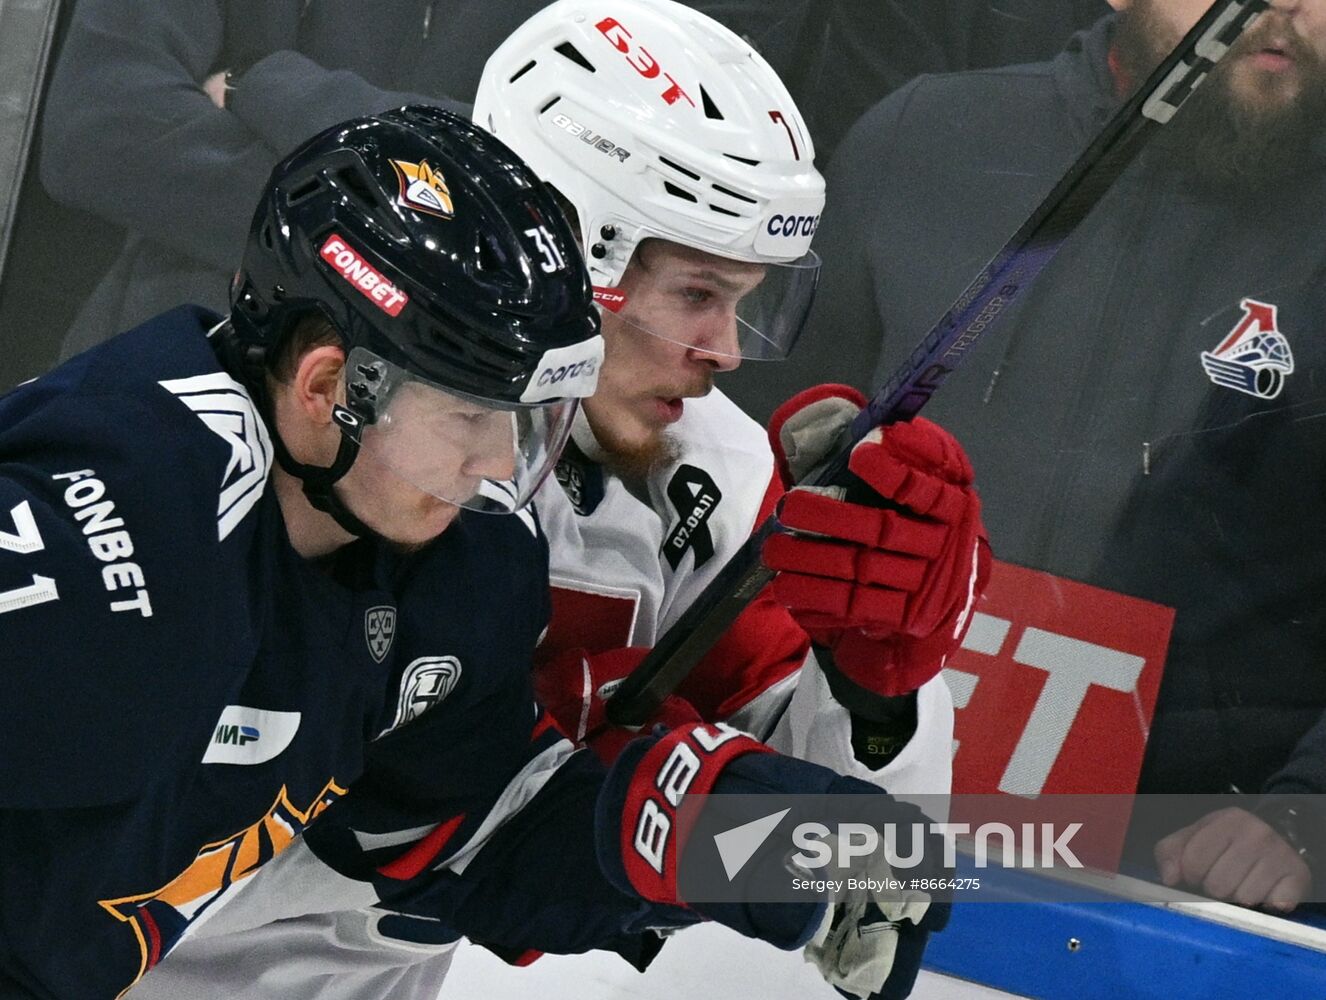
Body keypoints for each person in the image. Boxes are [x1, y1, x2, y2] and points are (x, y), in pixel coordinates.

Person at [118, 3, 989, 999]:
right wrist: (603, 801)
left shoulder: (716, 475)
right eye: (698, 295)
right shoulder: (327, 426)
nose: (729, 351)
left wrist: (880, 693)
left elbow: (865, 893)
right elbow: (301, 801)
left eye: (747, 300)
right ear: (573, 250)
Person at [756, 0, 1326, 912]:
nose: (1284, 8)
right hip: (840, 801)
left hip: (1184, 874)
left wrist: (1308, 812)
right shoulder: (926, 137)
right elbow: (756, 465)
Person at [26, 0, 1110, 367]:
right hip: (174, 375)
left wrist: (282, 94)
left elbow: (641, 221)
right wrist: (466, 192)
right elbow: (97, 127)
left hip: (469, 450)